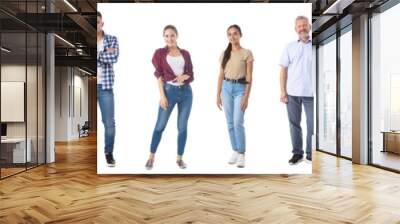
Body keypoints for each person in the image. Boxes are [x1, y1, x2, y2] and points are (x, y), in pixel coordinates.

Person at [145, 25, 194, 170]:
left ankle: (179, 159)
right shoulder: (159, 53)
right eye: (166, 36)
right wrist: (162, 96)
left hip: (186, 93)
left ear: (177, 36)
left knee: (182, 127)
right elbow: (159, 76)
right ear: (163, 37)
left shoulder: (185, 53)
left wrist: (184, 77)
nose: (169, 38)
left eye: (172, 35)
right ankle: (151, 157)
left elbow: (191, 73)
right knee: (160, 126)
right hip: (169, 92)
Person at [216, 24, 253, 168]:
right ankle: (235, 150)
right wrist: (217, 94)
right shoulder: (224, 54)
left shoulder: (247, 53)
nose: (232, 36)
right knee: (230, 122)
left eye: (235, 33)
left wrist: (246, 97)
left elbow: (250, 76)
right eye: (230, 34)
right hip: (226, 88)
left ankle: (242, 153)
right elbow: (220, 75)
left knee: (238, 122)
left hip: (240, 89)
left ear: (240, 35)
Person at [279, 16, 313, 165]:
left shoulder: (316, 45)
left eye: (304, 25)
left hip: (311, 94)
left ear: (309, 26)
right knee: (294, 125)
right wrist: (282, 91)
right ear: (295, 29)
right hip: (292, 93)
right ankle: (297, 153)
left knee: (312, 124)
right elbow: (283, 71)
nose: (302, 28)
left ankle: (311, 153)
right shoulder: (289, 47)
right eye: (299, 26)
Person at [97, 11, 119, 167]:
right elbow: (106, 57)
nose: (95, 25)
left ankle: (108, 153)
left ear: (102, 23)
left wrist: (98, 54)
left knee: (109, 122)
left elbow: (114, 58)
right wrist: (103, 53)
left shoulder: (112, 39)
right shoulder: (86, 38)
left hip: (105, 86)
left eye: (97, 22)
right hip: (89, 83)